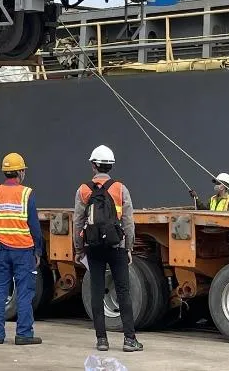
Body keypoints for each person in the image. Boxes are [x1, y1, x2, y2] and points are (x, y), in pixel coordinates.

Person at [74, 144, 143, 354]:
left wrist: (79, 249)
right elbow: (129, 222)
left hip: (93, 247)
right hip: (117, 245)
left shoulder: (83, 189)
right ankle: (129, 339)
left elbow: (78, 221)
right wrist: (129, 247)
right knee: (123, 291)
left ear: (94, 165)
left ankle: (101, 340)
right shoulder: (120, 188)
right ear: (111, 166)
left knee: (96, 290)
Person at [0, 152, 44, 345]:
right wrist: (38, 250)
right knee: (25, 293)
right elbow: (34, 225)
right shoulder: (27, 193)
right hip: (23, 250)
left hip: (0, 249)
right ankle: (24, 334)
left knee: (0, 291)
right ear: (19, 172)